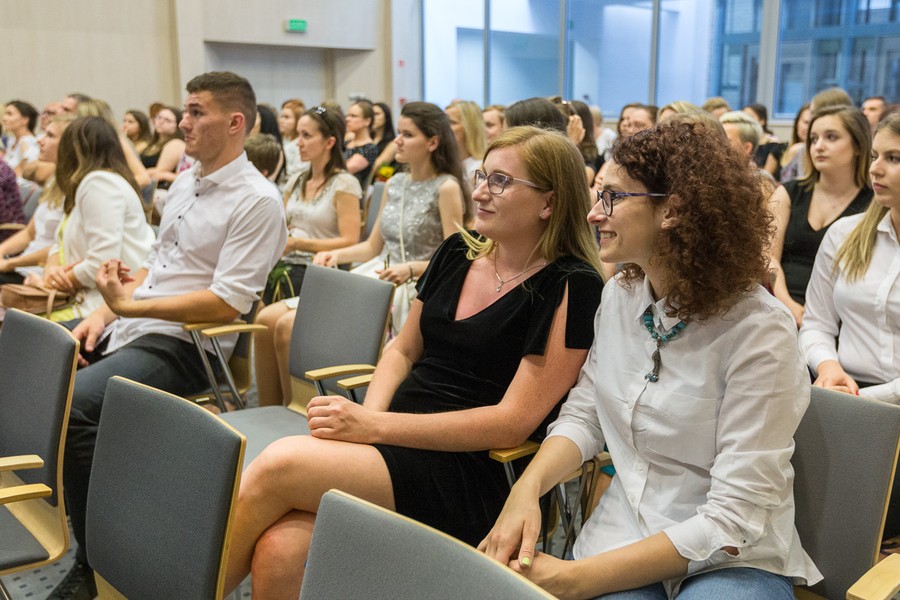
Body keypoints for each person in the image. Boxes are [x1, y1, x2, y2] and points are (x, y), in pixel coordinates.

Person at [224, 125, 604, 598]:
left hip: (475, 470)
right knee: (279, 551)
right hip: (395, 439)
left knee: (280, 463)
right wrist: (372, 419)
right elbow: (403, 349)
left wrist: (373, 429)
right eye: (483, 175)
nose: (480, 191)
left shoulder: (572, 284)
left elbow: (512, 423)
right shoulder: (457, 252)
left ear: (548, 202)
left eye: (501, 182)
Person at [480, 118, 821, 599]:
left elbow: (733, 518)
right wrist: (525, 490)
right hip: (625, 532)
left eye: (613, 197)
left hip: (731, 559)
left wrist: (575, 579)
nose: (595, 214)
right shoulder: (622, 295)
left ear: (672, 212)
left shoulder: (759, 331)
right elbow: (585, 414)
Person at [48, 71, 287, 600]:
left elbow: (227, 301)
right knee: (38, 364)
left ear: (235, 122)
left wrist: (130, 305)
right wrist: (105, 315)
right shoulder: (185, 181)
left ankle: (93, 562)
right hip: (137, 323)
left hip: (189, 344)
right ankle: (109, 513)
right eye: (186, 110)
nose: (184, 122)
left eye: (197, 112)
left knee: (77, 406)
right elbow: (156, 271)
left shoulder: (256, 200)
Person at [799, 111, 900, 548]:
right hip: (839, 390)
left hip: (873, 402)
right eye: (876, 155)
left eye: (894, 158)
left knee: (873, 525)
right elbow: (817, 322)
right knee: (809, 514)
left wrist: (858, 400)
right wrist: (827, 367)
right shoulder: (846, 233)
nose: (876, 169)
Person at [254, 106, 363, 407]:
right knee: (263, 321)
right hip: (289, 264)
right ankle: (268, 407)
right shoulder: (296, 180)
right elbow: (283, 226)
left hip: (324, 269)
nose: (297, 143)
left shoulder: (344, 183)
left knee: (277, 325)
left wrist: (300, 242)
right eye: (298, 135)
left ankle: (292, 407)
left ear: (329, 142)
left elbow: (350, 239)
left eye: (306, 136)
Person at [37, 116, 154, 321]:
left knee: (15, 333)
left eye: (50, 135)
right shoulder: (88, 183)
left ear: (72, 150)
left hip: (103, 306)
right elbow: (60, 243)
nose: (40, 140)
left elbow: (101, 266)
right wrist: (51, 270)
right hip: (83, 296)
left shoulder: (99, 184)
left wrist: (49, 283)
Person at [768, 105, 873, 327]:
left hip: (841, 316)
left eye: (831, 137)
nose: (818, 146)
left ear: (857, 145)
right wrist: (787, 304)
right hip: (779, 305)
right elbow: (768, 258)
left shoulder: (873, 204)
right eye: (813, 139)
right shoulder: (789, 192)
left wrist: (819, 320)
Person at [0, 114, 75, 284]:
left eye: (50, 136)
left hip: (41, 273)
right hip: (23, 265)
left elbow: (62, 248)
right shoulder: (55, 182)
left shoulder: (76, 190)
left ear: (69, 144)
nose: (40, 140)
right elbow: (29, 233)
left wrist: (10, 263)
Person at [141, 105, 186, 188]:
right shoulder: (153, 143)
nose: (161, 122)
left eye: (167, 120)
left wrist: (136, 174)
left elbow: (159, 172)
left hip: (159, 189)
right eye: (159, 118)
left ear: (177, 125)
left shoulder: (175, 143)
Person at [446, 99, 486, 185]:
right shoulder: (445, 164)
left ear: (469, 127)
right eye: (444, 122)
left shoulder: (480, 168)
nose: (444, 127)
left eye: (452, 122)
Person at [344, 99, 379, 188]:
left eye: (353, 116)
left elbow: (346, 170)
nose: (348, 119)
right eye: (348, 115)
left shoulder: (370, 148)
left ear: (367, 121)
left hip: (352, 192)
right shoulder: (346, 142)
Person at [743, 103, 783, 179]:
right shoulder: (744, 141)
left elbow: (766, 175)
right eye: (743, 118)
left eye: (750, 117)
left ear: (762, 121)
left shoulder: (773, 143)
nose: (746, 121)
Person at [2, 100, 39, 176]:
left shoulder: (28, 142)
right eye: (5, 114)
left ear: (24, 120)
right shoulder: (12, 141)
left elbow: (26, 172)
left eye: (9, 114)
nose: (4, 118)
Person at [780, 103, 811, 183]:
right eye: (806, 122)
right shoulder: (781, 148)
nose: (809, 128)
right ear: (797, 123)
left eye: (813, 123)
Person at [279, 99, 306, 178]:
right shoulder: (283, 140)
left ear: (298, 121)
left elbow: (298, 170)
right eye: (281, 116)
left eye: (286, 117)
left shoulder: (301, 143)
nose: (281, 121)